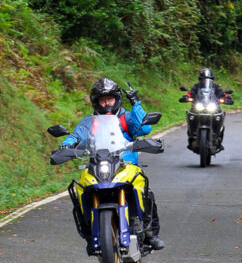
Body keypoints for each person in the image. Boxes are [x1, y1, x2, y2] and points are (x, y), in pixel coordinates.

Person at [61, 77, 164, 249]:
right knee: (81, 189)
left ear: (117, 99)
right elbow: (76, 135)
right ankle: (90, 232)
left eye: (110, 99)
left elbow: (145, 128)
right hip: (97, 164)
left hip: (126, 165)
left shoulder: (126, 117)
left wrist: (136, 103)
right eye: (103, 100)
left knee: (146, 191)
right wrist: (68, 142)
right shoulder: (89, 122)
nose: (107, 103)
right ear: (96, 102)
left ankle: (150, 234)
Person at [185, 67, 231, 150]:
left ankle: (218, 138)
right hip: (198, 108)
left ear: (211, 80)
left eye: (208, 79)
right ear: (200, 79)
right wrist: (186, 97)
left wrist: (226, 99)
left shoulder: (216, 87)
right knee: (190, 115)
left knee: (220, 116)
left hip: (213, 108)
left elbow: (223, 95)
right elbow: (189, 94)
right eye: (203, 79)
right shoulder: (196, 87)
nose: (205, 80)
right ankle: (192, 136)